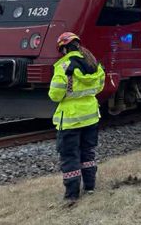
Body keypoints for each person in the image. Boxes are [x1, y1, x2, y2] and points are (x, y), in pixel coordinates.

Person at [48, 32, 105, 203]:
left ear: (64, 48)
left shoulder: (64, 66)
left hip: (70, 120)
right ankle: (89, 188)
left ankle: (72, 194)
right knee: (88, 152)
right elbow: (99, 87)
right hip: (91, 117)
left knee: (70, 155)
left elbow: (56, 95)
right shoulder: (93, 63)